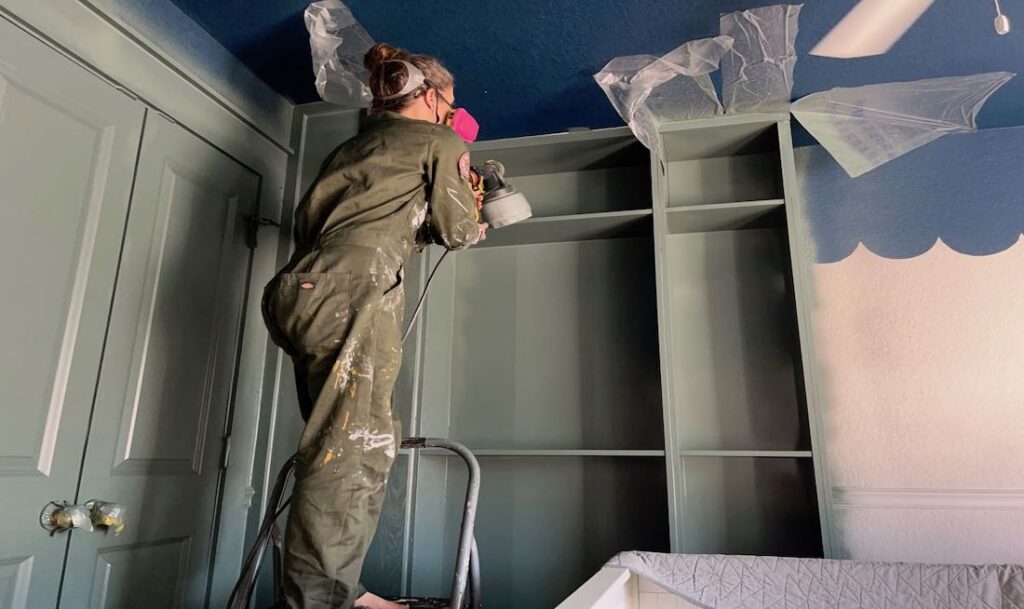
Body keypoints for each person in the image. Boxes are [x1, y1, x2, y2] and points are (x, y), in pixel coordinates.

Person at [261, 42, 487, 609]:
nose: (452, 113)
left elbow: (341, 221)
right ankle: (319, 602)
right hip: (354, 290)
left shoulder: (351, 148)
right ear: (432, 97)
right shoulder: (440, 140)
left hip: (299, 289)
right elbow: (459, 232)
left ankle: (347, 592)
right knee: (349, 448)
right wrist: (470, 197)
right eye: (450, 103)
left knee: (346, 445)